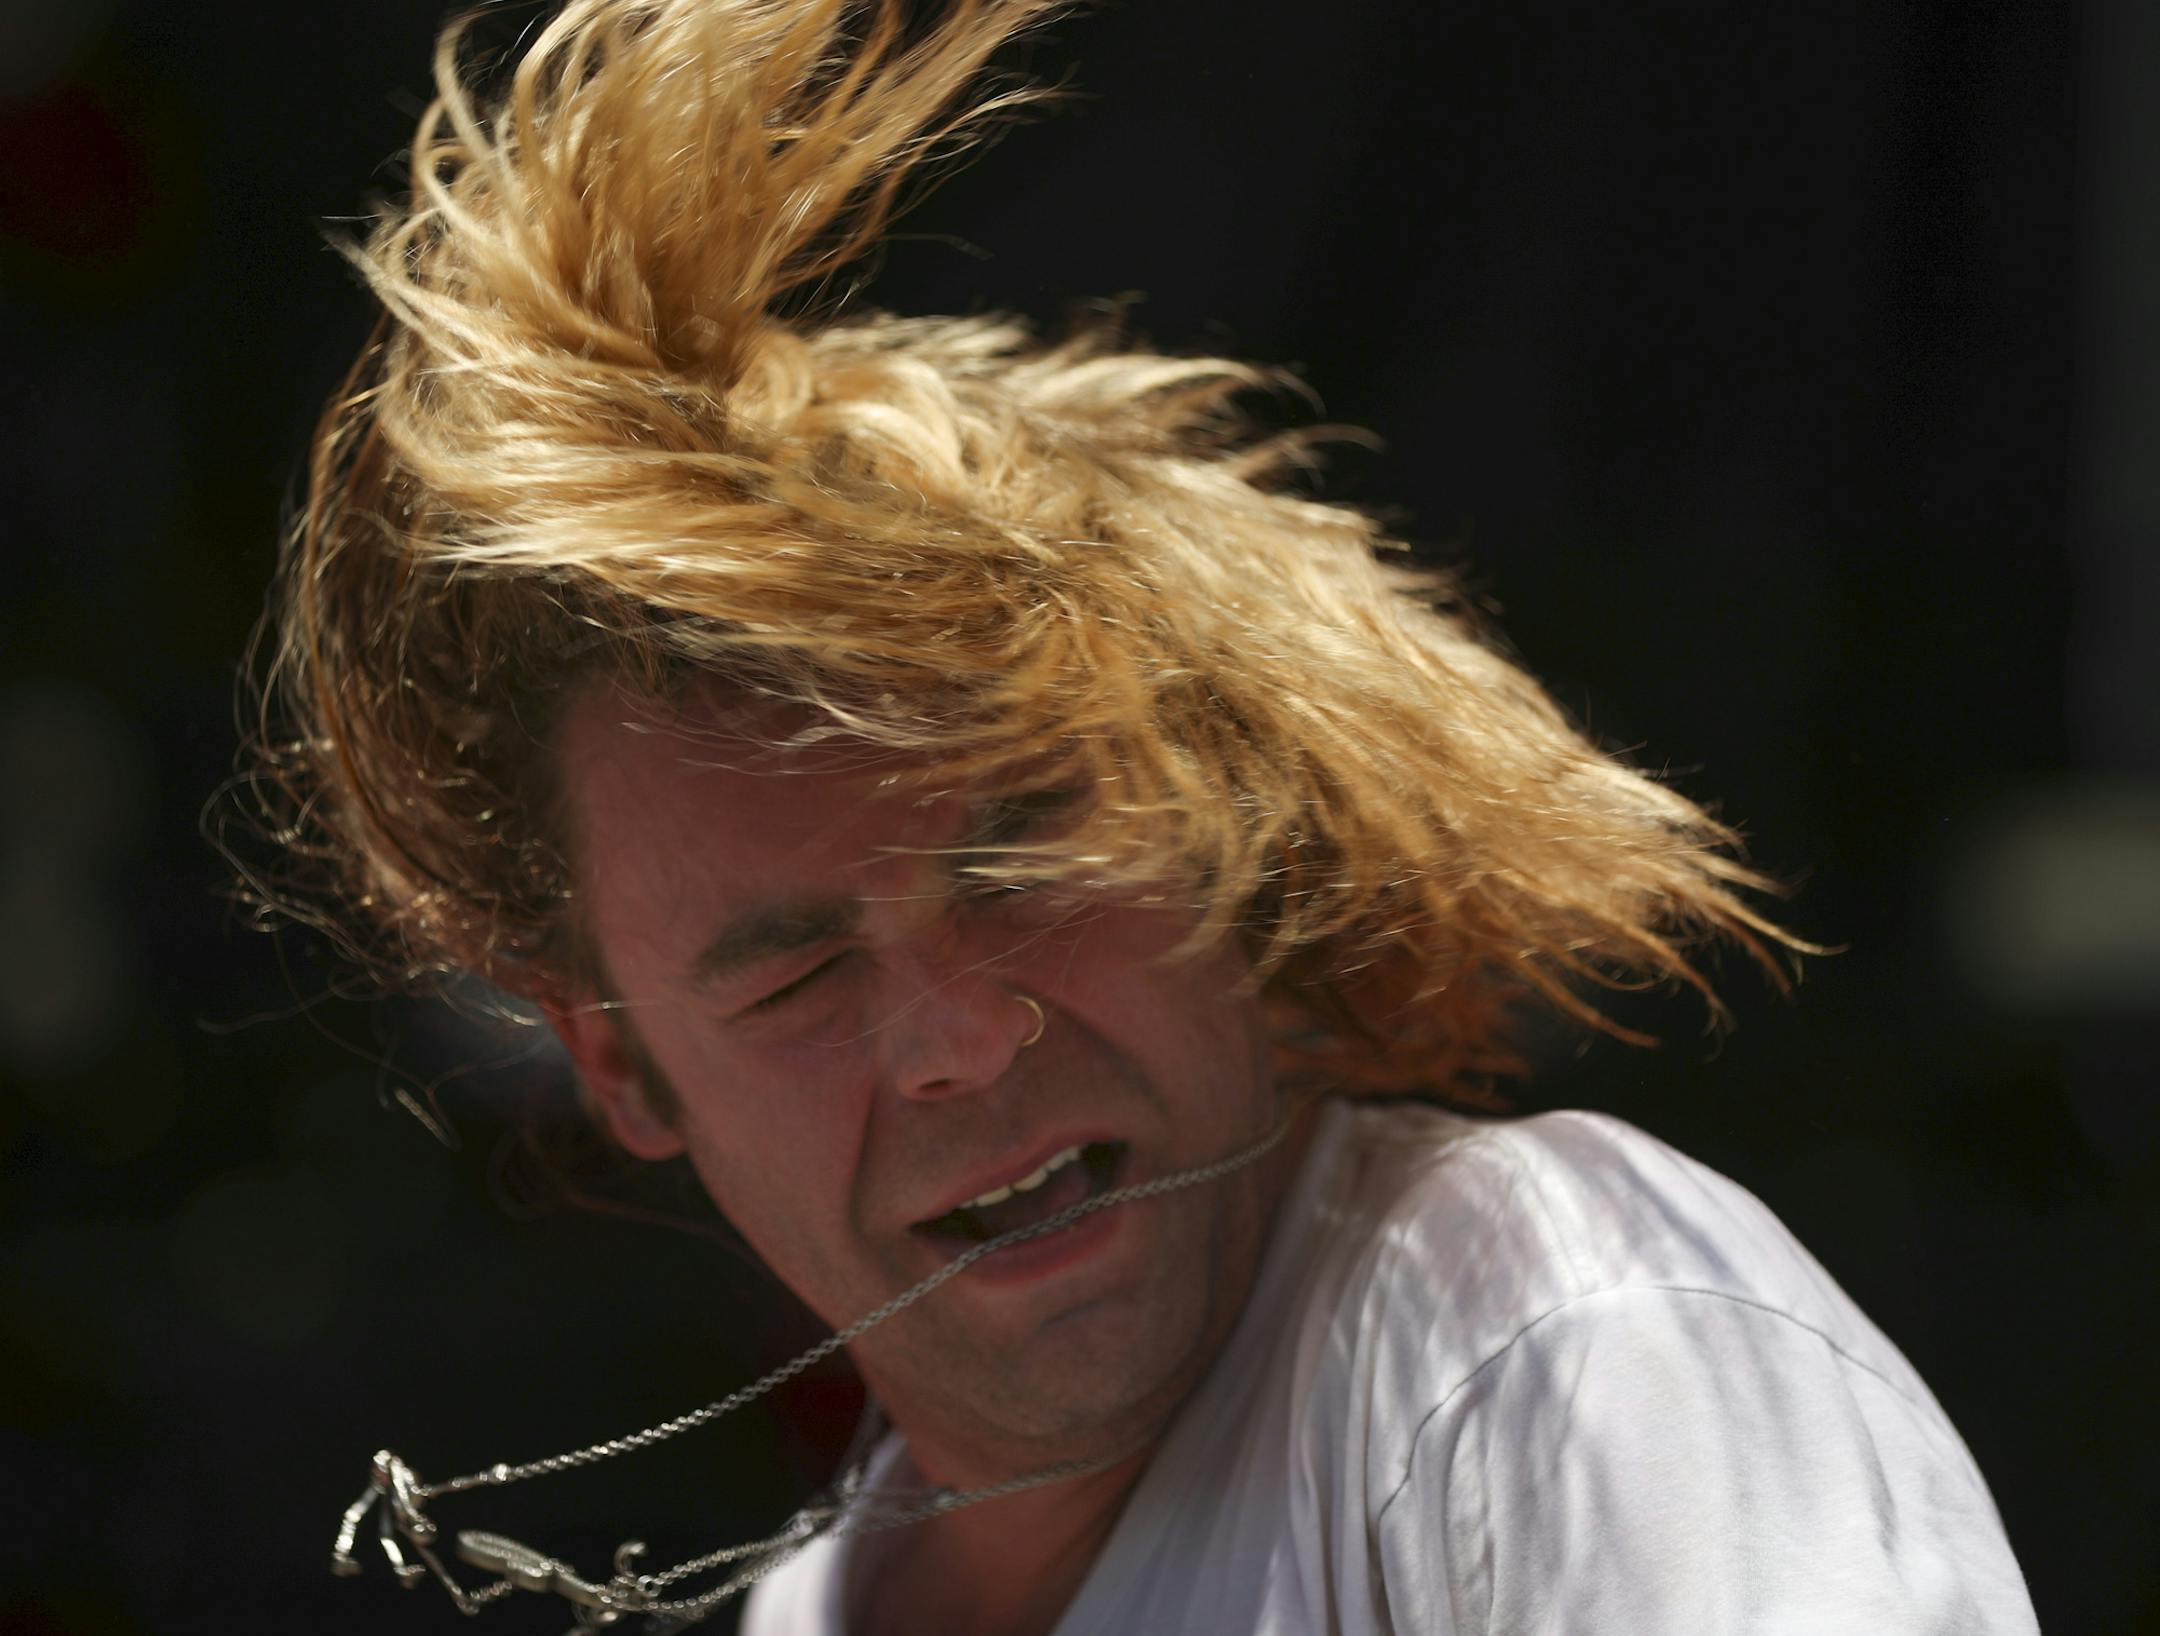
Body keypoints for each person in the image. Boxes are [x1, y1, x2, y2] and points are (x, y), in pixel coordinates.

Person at [252, 0, 2040, 1630]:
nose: (960, 1036)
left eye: (1020, 862)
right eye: (796, 979)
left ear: (1214, 815)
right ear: (624, 1068)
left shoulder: (1549, 1335)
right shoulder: (807, 1608)